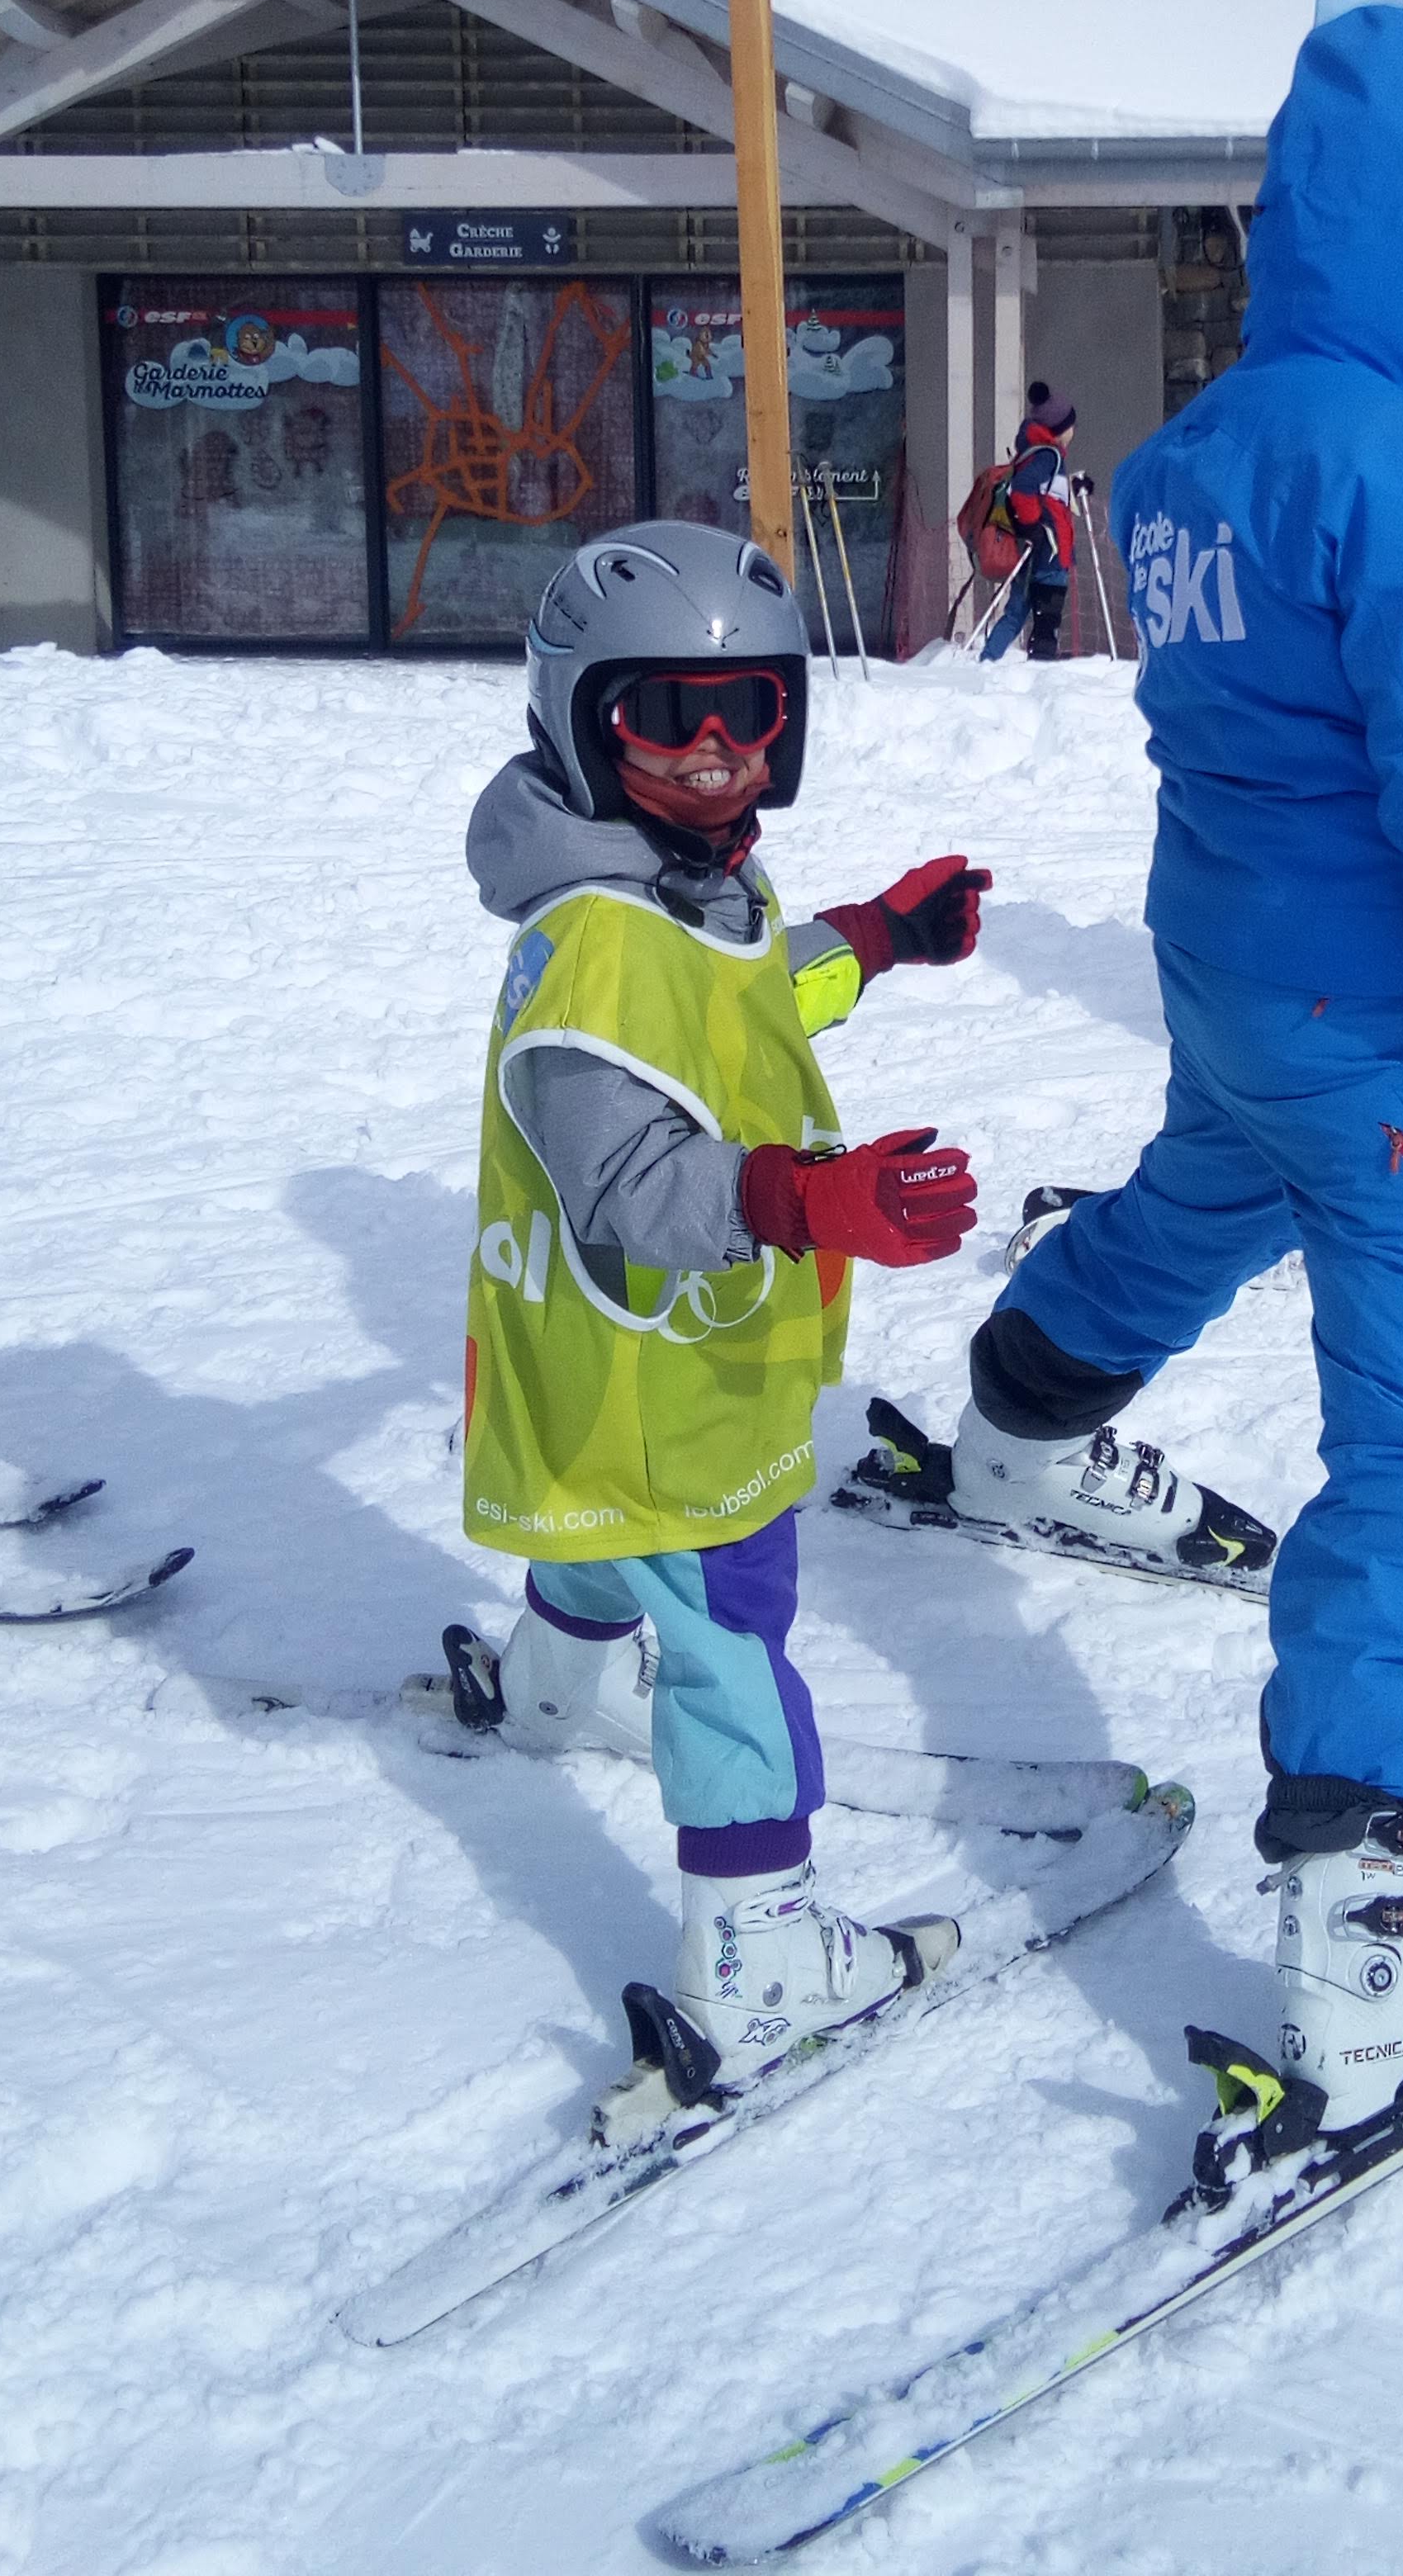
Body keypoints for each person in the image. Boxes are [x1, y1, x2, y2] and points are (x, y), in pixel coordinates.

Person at [893, 9, 1403, 2132]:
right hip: (1384, 1028)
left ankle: (1020, 1411)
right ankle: (1364, 1924)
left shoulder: (1195, 457)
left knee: (1196, 1201)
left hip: (1233, 971)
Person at [446, 520, 1007, 2100]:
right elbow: (633, 1181)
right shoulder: (590, 954)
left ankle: (559, 1684)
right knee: (733, 1629)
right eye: (663, 714)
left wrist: (878, 937)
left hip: (603, 1369)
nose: (712, 750)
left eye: (748, 710)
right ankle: (760, 1952)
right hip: (668, 1374)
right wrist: (806, 1202)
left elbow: (748, 993)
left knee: (605, 1530)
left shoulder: (677, 888)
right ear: (580, 721)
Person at [982, 383, 1078, 660]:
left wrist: (1075, 484)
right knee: (1047, 622)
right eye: (1071, 426)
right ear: (1060, 428)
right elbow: (1024, 488)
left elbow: (1048, 494)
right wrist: (1032, 524)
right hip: (1050, 553)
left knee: (1015, 614)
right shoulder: (1049, 456)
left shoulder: (1032, 453)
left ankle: (987, 661)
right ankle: (1041, 672)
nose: (1073, 431)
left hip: (1031, 550)